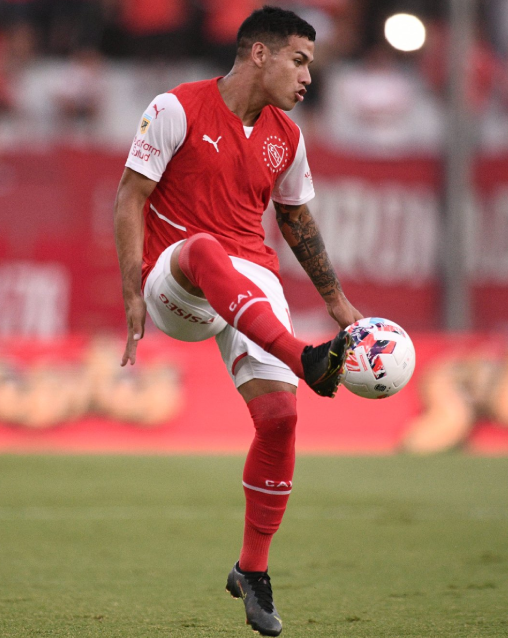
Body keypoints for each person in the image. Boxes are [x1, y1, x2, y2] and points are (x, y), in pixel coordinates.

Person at [113, 6, 360, 637]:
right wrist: (132, 292)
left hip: (251, 274)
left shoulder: (288, 138)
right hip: (179, 277)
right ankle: (305, 356)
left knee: (280, 420)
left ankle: (253, 569)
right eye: (299, 61)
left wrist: (337, 303)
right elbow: (130, 197)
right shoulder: (175, 108)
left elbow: (295, 220)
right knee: (203, 248)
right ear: (259, 53)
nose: (308, 77)